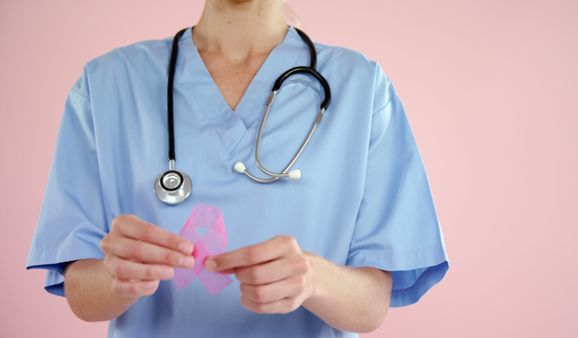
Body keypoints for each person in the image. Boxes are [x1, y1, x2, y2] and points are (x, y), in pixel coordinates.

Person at [25, 0, 449, 337]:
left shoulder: (362, 87)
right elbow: (80, 290)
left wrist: (312, 279)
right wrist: (117, 278)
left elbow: (373, 303)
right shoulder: (107, 85)